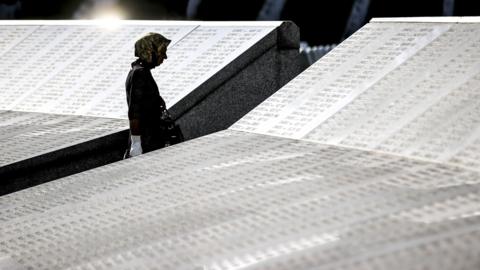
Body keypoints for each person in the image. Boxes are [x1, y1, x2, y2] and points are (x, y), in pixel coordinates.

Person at [125, 32, 173, 158]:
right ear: (149, 52)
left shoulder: (142, 72)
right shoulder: (139, 74)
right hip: (146, 143)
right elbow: (134, 112)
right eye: (161, 52)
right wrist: (136, 144)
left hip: (150, 140)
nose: (165, 57)